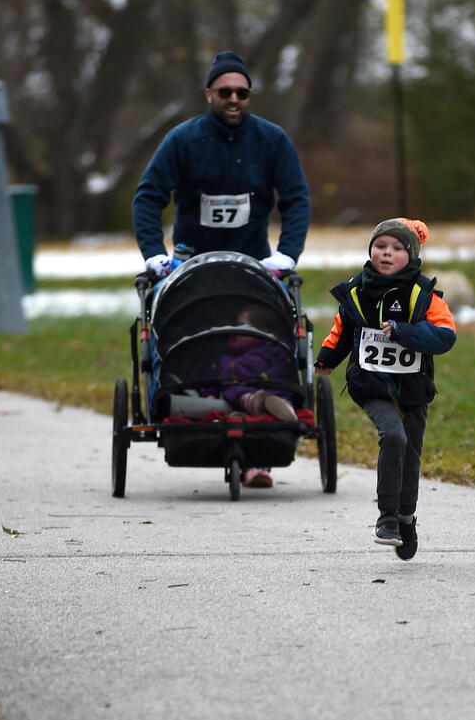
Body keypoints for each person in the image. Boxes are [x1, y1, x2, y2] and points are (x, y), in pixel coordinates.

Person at [133, 50, 311, 487]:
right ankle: (185, 407)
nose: (234, 99)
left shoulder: (272, 140)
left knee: (261, 343)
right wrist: (155, 255)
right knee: (187, 335)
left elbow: (296, 199)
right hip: (191, 266)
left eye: (242, 92)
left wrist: (286, 255)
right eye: (225, 91)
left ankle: (261, 452)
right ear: (209, 93)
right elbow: (148, 196)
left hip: (254, 266)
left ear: (249, 95)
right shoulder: (182, 140)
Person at [314, 218, 456, 559]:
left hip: (413, 388)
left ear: (411, 255)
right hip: (371, 383)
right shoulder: (357, 290)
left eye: (396, 248)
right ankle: (387, 518)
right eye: (381, 247)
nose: (387, 254)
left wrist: (406, 333)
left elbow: (445, 336)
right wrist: (325, 360)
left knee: (410, 455)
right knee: (393, 437)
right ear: (370, 250)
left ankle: (406, 518)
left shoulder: (423, 294)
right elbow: (342, 330)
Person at [213, 304, 299, 422]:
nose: (236, 330)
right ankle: (257, 403)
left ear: (263, 330)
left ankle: (283, 407)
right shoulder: (228, 354)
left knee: (282, 387)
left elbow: (283, 369)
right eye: (236, 325)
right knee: (231, 389)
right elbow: (214, 377)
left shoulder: (274, 348)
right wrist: (210, 393)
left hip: (271, 385)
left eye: (242, 326)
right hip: (243, 389)